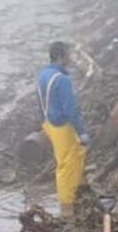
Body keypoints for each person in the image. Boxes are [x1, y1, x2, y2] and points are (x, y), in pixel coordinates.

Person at [36, 41, 89, 215]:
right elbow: (70, 109)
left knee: (77, 155)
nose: (70, 57)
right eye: (68, 53)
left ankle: (81, 192)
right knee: (66, 164)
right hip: (61, 125)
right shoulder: (62, 79)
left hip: (49, 123)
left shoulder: (43, 75)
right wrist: (81, 131)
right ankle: (67, 206)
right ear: (60, 56)